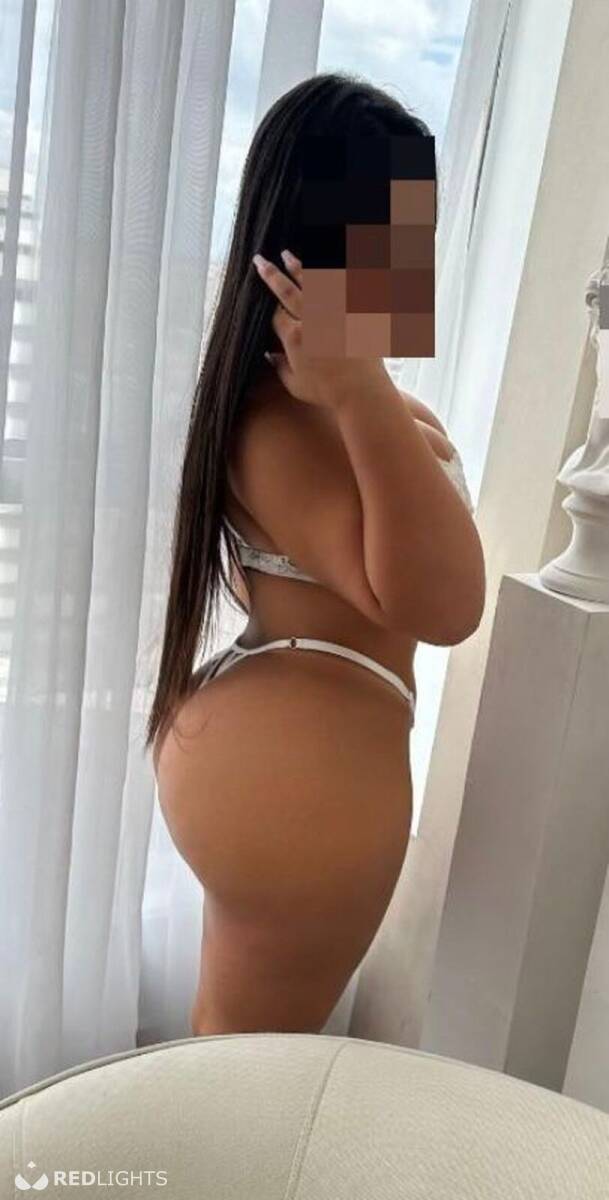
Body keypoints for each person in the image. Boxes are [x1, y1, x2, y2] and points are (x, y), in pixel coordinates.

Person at [146, 72, 486, 1037]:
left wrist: (361, 387)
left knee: (230, 1043)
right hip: (293, 781)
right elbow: (444, 605)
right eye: (399, 236)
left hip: (283, 763)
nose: (418, 262)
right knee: (249, 1067)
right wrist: (359, 388)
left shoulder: (313, 400)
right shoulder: (282, 416)